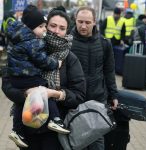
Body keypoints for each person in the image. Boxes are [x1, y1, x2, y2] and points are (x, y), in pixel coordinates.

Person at [2, 6, 86, 150]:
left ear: (67, 31)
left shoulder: (70, 59)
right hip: (28, 127)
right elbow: (7, 85)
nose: (56, 31)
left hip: (55, 134)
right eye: (52, 26)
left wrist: (53, 93)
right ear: (44, 26)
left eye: (62, 28)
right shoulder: (26, 48)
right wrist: (26, 94)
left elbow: (79, 95)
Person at [70, 6, 118, 150]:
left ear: (94, 22)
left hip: (98, 98)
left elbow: (109, 71)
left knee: (97, 139)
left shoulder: (104, 43)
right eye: (80, 21)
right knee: (77, 139)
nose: (83, 26)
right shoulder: (67, 42)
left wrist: (114, 94)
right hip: (75, 99)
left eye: (87, 22)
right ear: (75, 20)